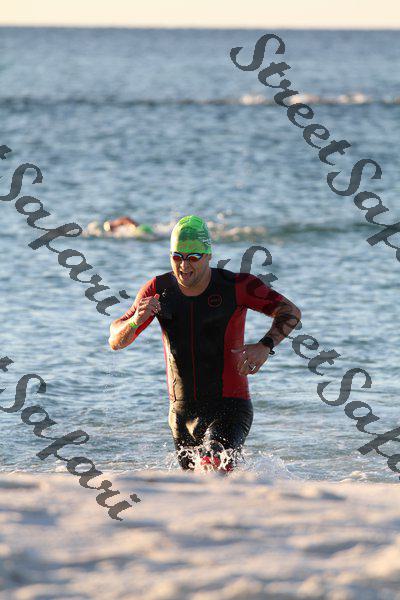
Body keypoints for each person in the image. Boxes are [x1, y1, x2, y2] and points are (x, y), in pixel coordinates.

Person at [109, 215, 301, 473]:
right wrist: (135, 321)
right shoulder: (158, 289)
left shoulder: (236, 286)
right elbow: (115, 340)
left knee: (213, 468)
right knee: (195, 488)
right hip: (180, 414)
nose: (184, 265)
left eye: (193, 257)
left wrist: (265, 345)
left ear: (208, 255)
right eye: (177, 256)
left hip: (229, 406)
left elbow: (290, 311)